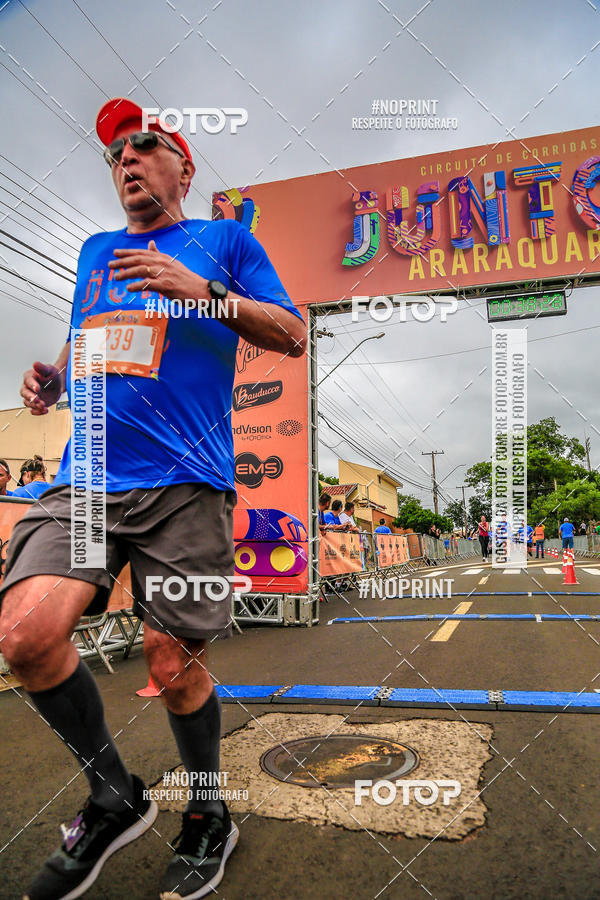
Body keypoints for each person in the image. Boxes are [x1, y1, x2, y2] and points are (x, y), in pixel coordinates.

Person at [0, 96, 306, 900]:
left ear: (184, 165)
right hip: (88, 475)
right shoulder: (96, 250)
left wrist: (198, 288)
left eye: (144, 146)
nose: (127, 162)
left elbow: (291, 330)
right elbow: (93, 337)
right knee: (26, 637)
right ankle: (114, 795)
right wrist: (54, 378)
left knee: (173, 665)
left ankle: (209, 812)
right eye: (114, 156)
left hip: (185, 485)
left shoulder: (224, 240)